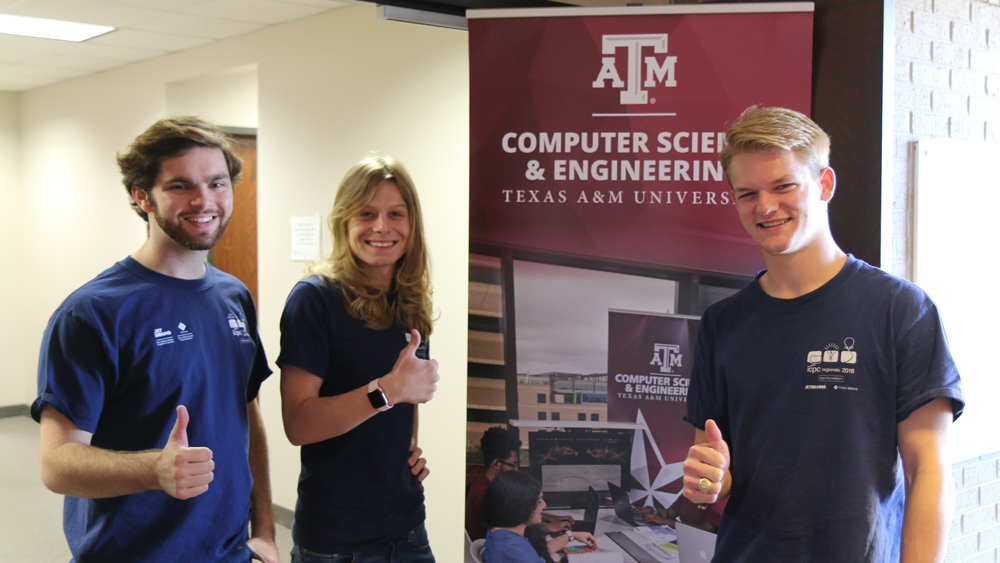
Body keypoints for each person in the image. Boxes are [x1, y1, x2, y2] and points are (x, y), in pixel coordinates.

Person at [682, 107, 964, 563]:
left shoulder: (899, 309)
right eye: (747, 193)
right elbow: (712, 467)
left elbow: (928, 468)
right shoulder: (723, 323)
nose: (765, 207)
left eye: (784, 186)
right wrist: (707, 477)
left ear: (825, 184)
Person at [33, 116, 278, 563]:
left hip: (230, 553)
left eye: (218, 183)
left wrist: (264, 530)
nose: (205, 200)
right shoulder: (94, 312)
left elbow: (247, 414)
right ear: (142, 195)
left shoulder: (233, 296)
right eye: (181, 185)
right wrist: (154, 469)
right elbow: (57, 464)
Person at [278, 154, 439, 562]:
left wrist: (409, 447)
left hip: (407, 528)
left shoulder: (410, 300)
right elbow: (298, 423)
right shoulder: (314, 299)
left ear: (412, 224)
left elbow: (407, 395)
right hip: (336, 540)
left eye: (395, 214)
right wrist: (385, 391)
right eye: (366, 213)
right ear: (344, 222)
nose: (382, 227)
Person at [466, 426, 575, 541]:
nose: (516, 470)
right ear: (496, 464)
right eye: (513, 465)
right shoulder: (485, 495)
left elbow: (515, 518)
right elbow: (511, 531)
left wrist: (549, 518)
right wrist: (548, 527)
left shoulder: (487, 485)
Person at [482, 471, 598, 563]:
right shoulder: (513, 549)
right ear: (521, 506)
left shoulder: (503, 533)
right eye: (539, 501)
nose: (544, 505)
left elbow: (538, 552)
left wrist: (571, 535)